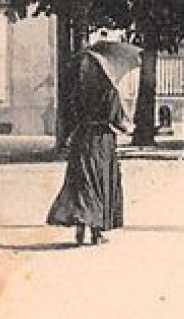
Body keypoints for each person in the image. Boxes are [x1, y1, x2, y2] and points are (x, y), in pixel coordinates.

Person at [46, 47, 131, 245]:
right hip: (102, 141)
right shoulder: (109, 91)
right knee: (99, 181)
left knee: (82, 180)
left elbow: (69, 115)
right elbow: (117, 120)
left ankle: (80, 227)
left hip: (81, 138)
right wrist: (125, 127)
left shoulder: (77, 91)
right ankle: (96, 232)